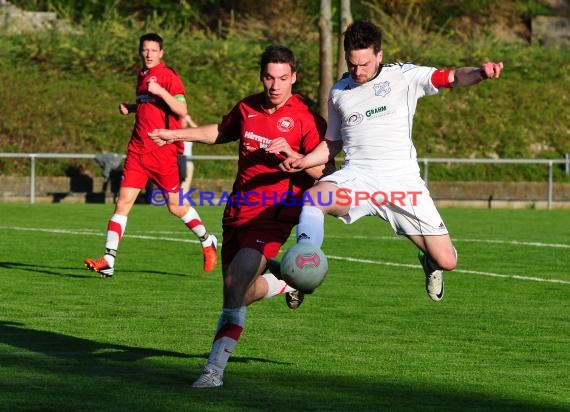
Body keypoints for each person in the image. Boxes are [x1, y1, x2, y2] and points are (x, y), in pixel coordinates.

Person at [149, 45, 334, 388]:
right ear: (262, 76)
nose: (275, 85)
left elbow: (326, 169)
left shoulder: (306, 118)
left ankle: (213, 371)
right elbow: (220, 131)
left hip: (272, 215)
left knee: (235, 287)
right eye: (269, 77)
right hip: (236, 212)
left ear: (293, 77)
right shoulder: (248, 107)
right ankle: (286, 280)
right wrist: (175, 134)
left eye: (282, 78)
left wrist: (294, 154)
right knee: (238, 292)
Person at [280, 20, 504, 302]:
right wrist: (302, 161)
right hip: (358, 177)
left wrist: (481, 73)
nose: (358, 71)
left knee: (447, 260)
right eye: (352, 64)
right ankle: (303, 269)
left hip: (402, 182)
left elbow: (452, 78)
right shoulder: (339, 92)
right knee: (314, 198)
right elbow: (333, 143)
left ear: (379, 55)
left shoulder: (405, 77)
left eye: (364, 64)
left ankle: (430, 263)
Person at [84, 33, 218, 278]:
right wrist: (132, 107)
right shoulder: (142, 76)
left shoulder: (168, 76)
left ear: (161, 53)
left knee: (176, 207)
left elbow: (181, 109)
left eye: (153, 50)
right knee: (122, 203)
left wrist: (161, 91)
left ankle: (207, 239)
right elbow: (150, 107)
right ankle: (109, 258)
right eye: (145, 50)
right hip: (137, 151)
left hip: (162, 152)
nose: (148, 54)